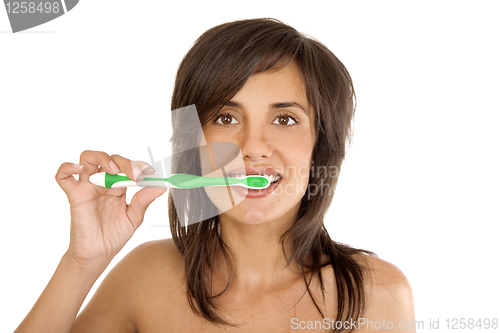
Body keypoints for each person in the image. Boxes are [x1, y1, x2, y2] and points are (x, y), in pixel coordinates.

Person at [15, 18, 415, 333]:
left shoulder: (377, 295)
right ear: (193, 143)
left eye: (285, 118)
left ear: (321, 146)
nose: (252, 146)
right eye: (226, 117)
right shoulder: (144, 278)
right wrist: (83, 261)